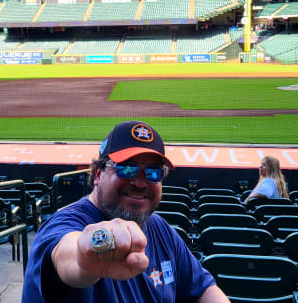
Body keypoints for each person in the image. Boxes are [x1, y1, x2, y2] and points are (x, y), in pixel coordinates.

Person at [22, 120, 230, 302]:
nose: (140, 182)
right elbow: (67, 253)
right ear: (97, 174)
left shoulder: (161, 229)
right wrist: (87, 254)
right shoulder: (64, 223)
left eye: (153, 172)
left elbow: (203, 289)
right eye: (126, 168)